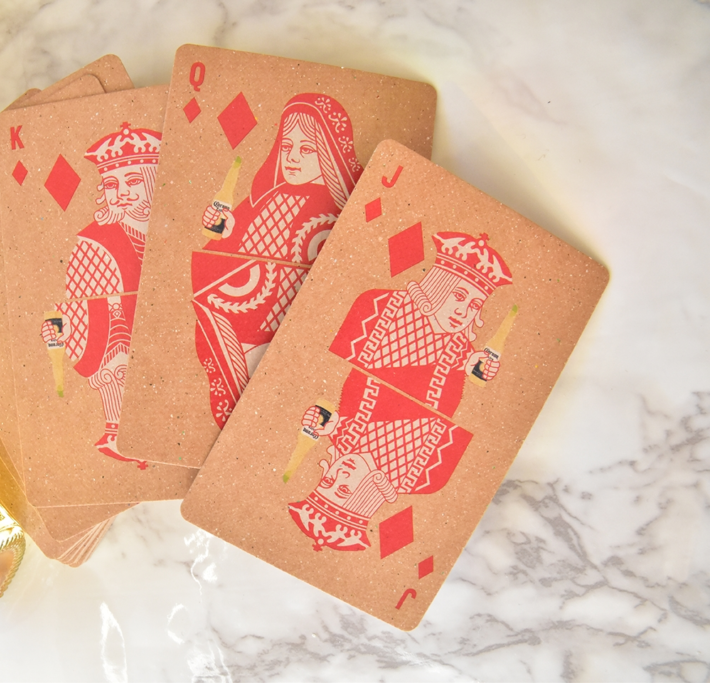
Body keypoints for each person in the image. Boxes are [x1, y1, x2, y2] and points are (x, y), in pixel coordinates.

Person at [288, 232, 514, 551]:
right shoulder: (425, 476)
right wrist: (468, 362)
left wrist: (321, 421)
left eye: (328, 481)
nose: (463, 311)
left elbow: (329, 376)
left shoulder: (340, 432)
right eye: (457, 295)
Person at [192, 93, 362, 427]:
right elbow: (220, 260)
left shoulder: (340, 216)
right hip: (237, 328)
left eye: (307, 149)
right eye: (287, 146)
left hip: (290, 338)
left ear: (328, 153)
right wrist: (222, 231)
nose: (293, 158)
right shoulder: (267, 198)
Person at [40, 123, 160, 468]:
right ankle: (121, 432)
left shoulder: (174, 229)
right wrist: (61, 328)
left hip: (171, 324)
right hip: (116, 335)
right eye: (111, 184)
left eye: (133, 181)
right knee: (121, 358)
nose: (121, 193)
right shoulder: (94, 241)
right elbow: (83, 304)